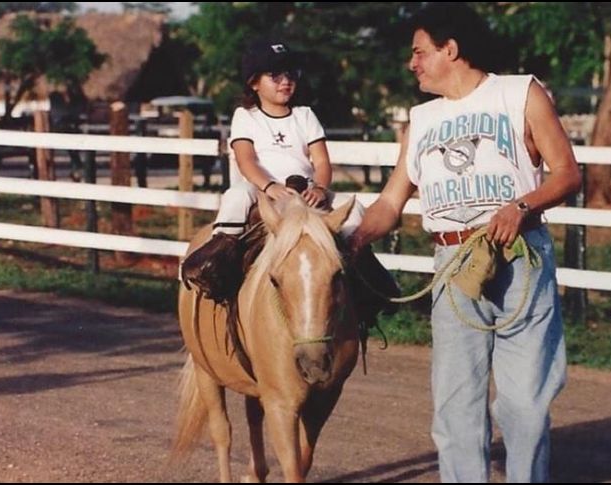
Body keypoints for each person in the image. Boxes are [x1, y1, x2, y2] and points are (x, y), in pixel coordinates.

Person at [348, 4, 581, 483]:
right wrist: (349, 237)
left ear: (449, 49)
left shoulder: (520, 93)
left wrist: (522, 206)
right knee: (457, 401)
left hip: (520, 254)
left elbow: (567, 174)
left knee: (525, 402)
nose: (412, 63)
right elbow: (391, 202)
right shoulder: (421, 120)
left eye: (419, 52)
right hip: (453, 263)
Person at [179, 39, 397, 316]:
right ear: (254, 83)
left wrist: (319, 187)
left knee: (354, 212)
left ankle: (368, 281)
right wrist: (269, 186)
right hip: (261, 190)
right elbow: (246, 160)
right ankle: (219, 264)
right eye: (275, 75)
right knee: (234, 198)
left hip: (305, 190)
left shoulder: (304, 115)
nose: (285, 81)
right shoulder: (246, 116)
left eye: (290, 74)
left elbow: (321, 161)